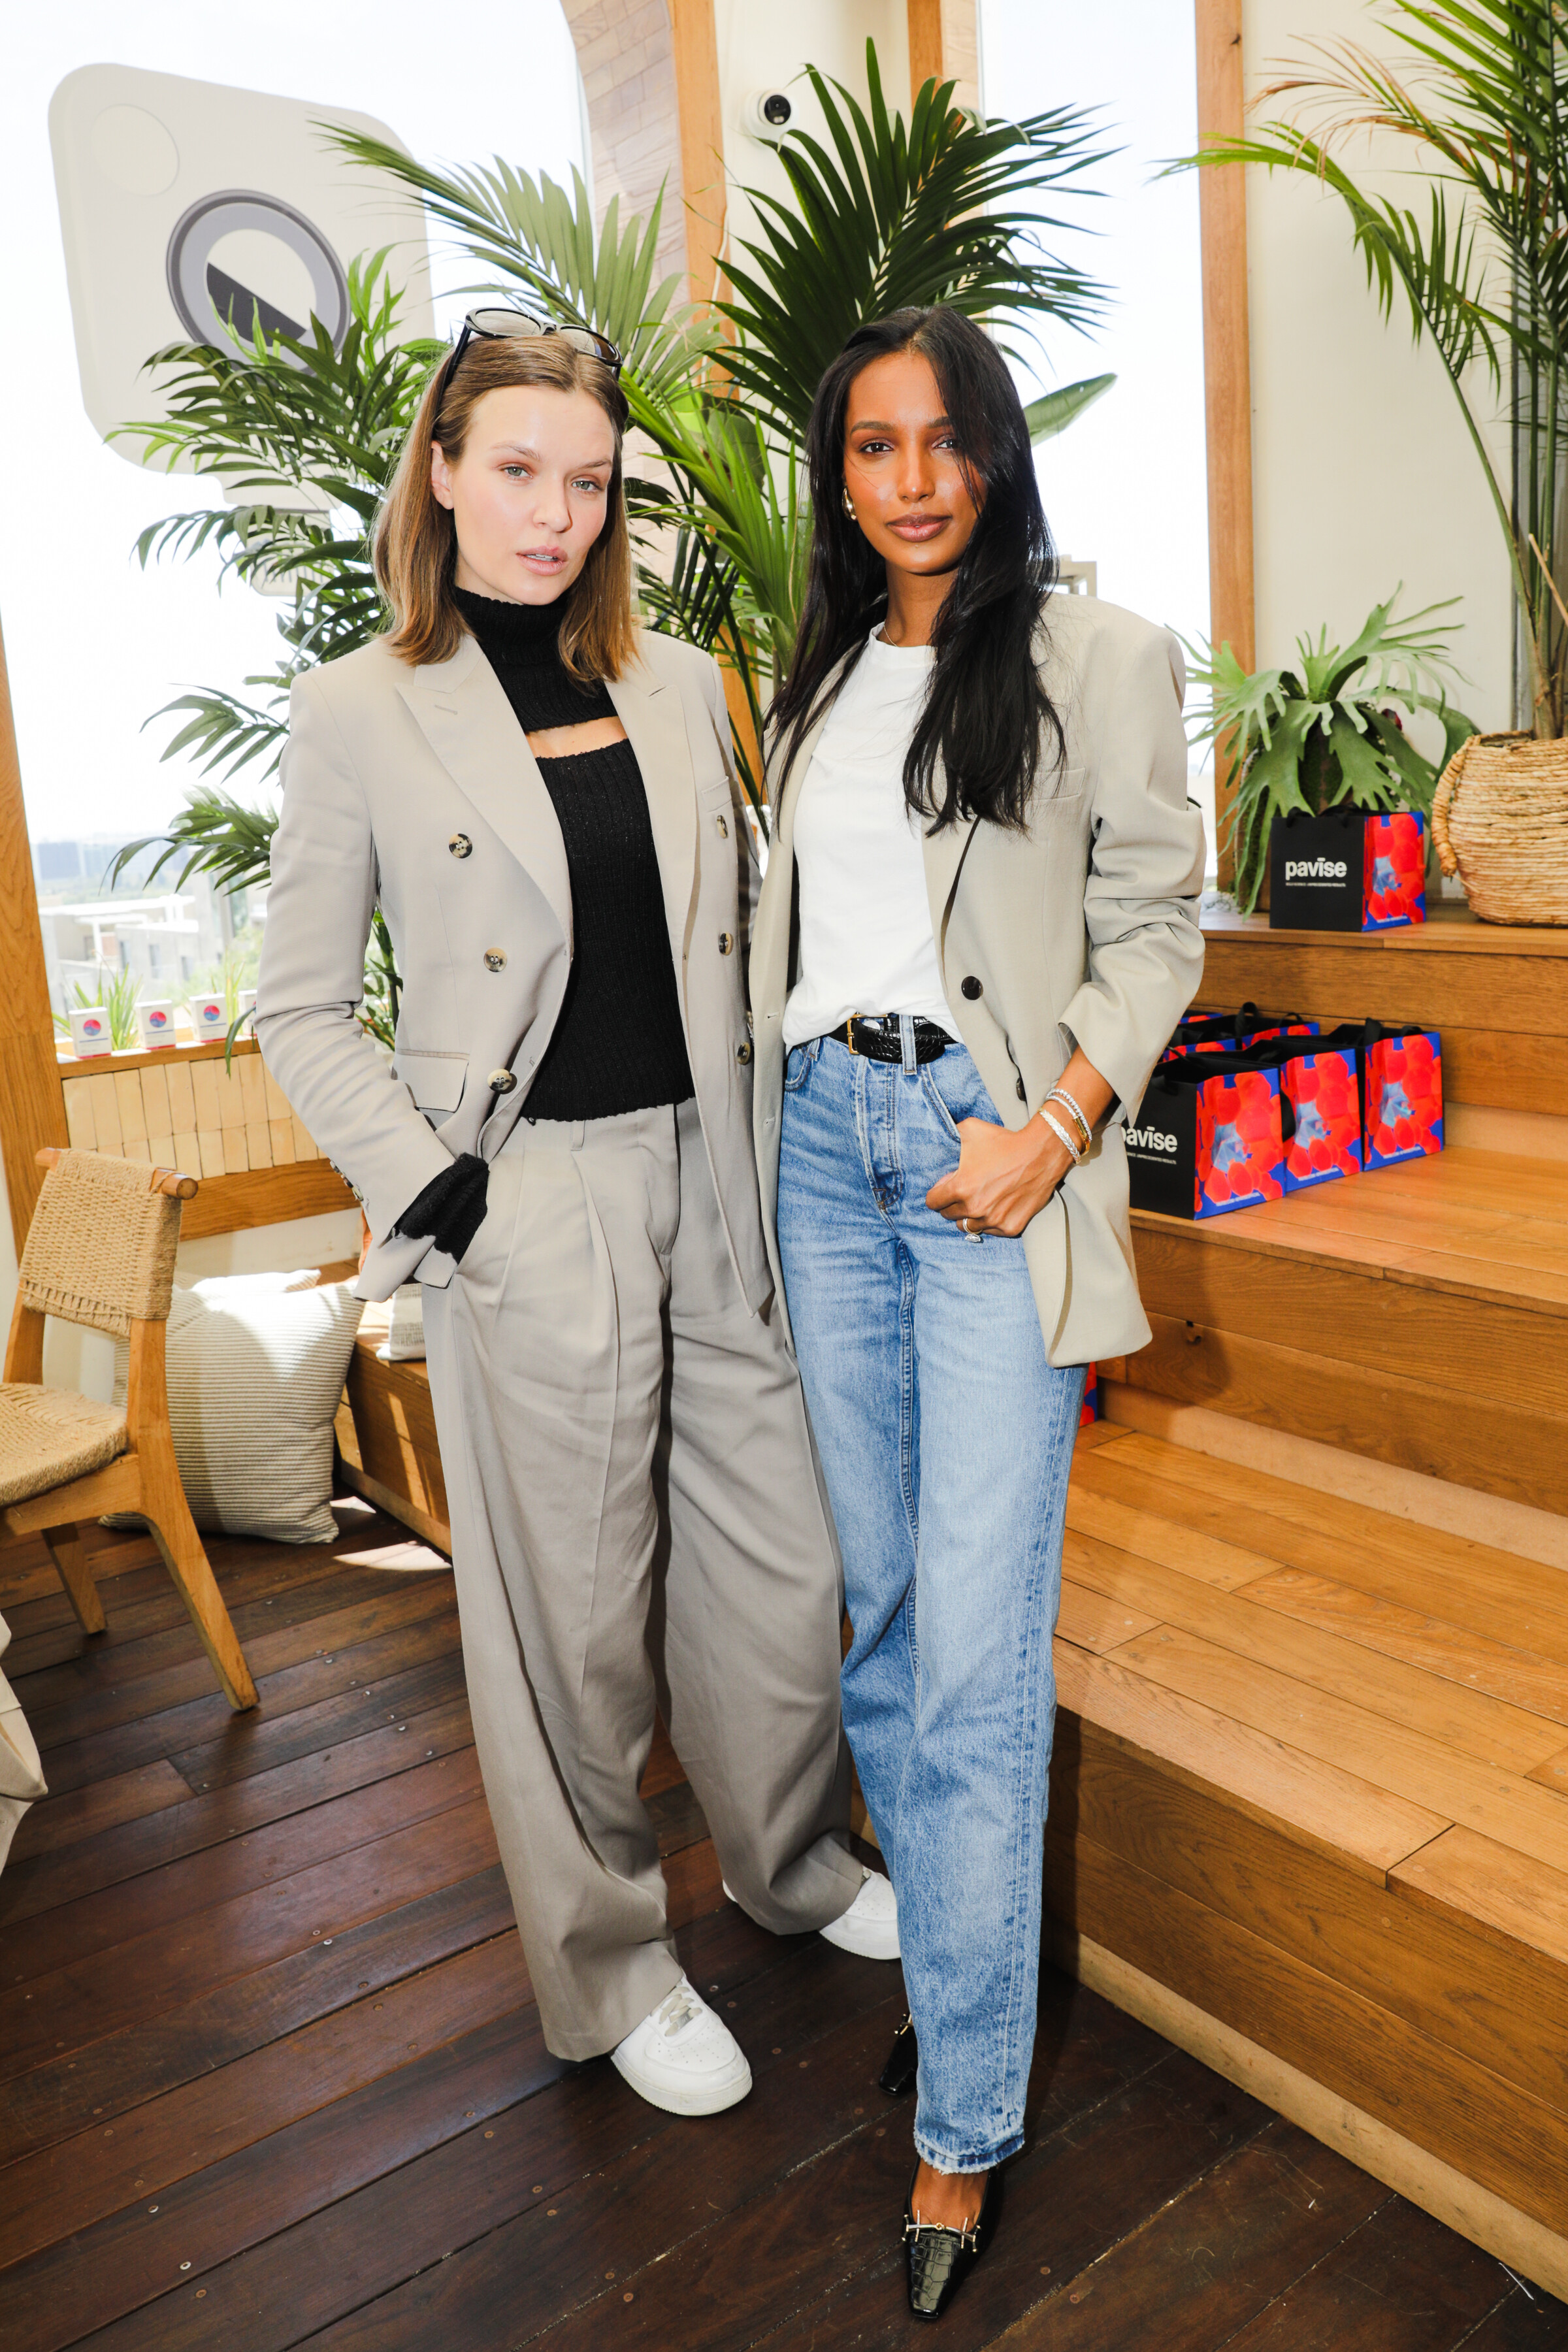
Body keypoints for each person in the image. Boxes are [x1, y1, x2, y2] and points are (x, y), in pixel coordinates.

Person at [256, 312, 896, 2118]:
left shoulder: (680, 682)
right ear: (443, 472)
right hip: (527, 1194)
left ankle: (791, 1863)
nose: (556, 513)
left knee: (780, 1570)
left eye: (591, 481)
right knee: (573, 1625)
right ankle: (613, 1968)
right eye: (520, 471)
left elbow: (743, 937)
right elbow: (299, 1004)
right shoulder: (360, 706)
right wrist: (443, 1194)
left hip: (719, 1169)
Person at [751, 306, 1204, 2318]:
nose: (913, 478)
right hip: (818, 1151)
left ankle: (964, 2120)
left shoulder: (1101, 655)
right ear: (839, 476)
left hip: (985, 1155)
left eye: (945, 440)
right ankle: (957, 1983)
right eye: (875, 446)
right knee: (882, 1623)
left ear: (999, 455)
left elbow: (1157, 922)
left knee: (974, 1661)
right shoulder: (823, 673)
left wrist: (1057, 1126)